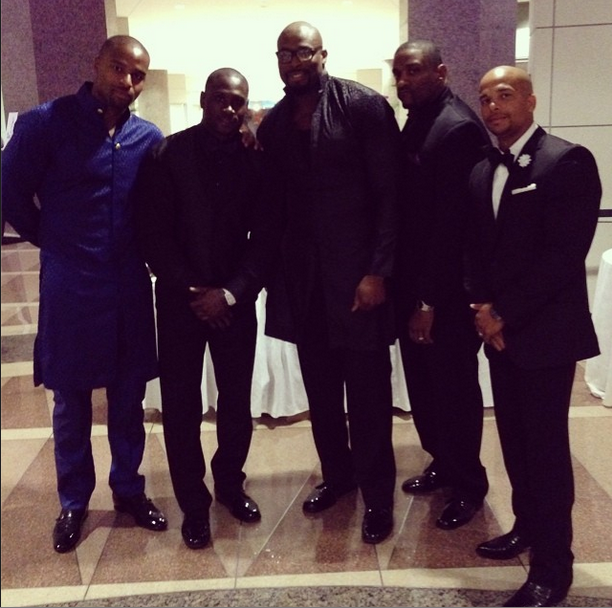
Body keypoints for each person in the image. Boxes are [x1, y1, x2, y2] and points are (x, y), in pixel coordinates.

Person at [1, 35, 168, 554]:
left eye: (138, 75)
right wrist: (52, 240)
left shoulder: (147, 138)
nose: (128, 82)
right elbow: (10, 192)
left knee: (128, 396)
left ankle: (129, 489)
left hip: (128, 286)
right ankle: (73, 500)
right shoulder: (45, 123)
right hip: (70, 286)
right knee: (70, 401)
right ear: (96, 64)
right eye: (119, 68)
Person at [257, 21, 399, 545]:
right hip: (305, 286)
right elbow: (273, 210)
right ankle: (338, 477)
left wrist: (378, 271)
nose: (292, 62)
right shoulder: (275, 125)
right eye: (283, 54)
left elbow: (390, 195)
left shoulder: (362, 106)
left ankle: (378, 496)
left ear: (321, 55)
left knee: (367, 395)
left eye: (302, 52)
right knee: (321, 392)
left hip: (358, 281)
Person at [467, 65, 601, 607]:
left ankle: (553, 567)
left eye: (505, 95)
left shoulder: (566, 161)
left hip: (545, 334)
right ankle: (526, 528)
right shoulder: (482, 169)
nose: (493, 107)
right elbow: (476, 250)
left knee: (545, 452)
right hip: (499, 333)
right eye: (485, 98)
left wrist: (503, 314)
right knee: (515, 443)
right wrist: (482, 309)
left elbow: (562, 256)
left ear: (530, 101)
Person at [135, 68, 271, 550]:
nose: (229, 109)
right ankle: (193, 504)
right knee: (181, 407)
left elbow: (267, 237)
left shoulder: (257, 160)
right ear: (202, 100)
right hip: (180, 303)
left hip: (234, 302)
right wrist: (195, 291)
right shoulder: (166, 154)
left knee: (236, 401)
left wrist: (229, 293)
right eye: (220, 99)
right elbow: (152, 232)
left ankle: (230, 484)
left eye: (238, 101)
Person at [391, 40, 489, 529]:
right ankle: (443, 462)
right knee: (425, 386)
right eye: (398, 73)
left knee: (453, 390)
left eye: (413, 71)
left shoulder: (457, 128)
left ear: (441, 72)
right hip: (414, 288)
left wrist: (428, 301)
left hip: (445, 295)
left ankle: (469, 484)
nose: (403, 81)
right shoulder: (420, 119)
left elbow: (452, 229)